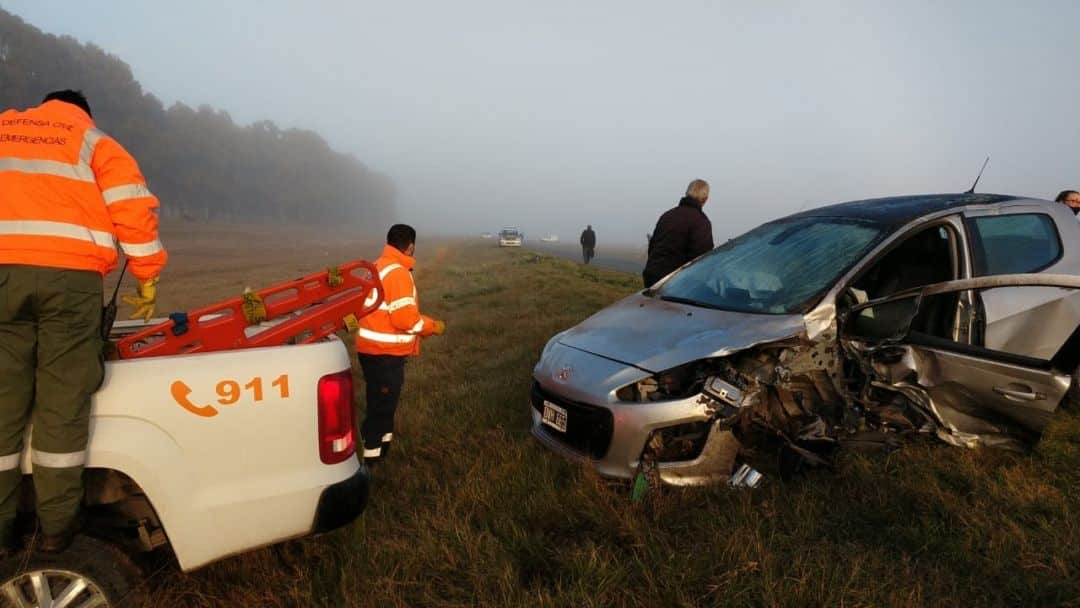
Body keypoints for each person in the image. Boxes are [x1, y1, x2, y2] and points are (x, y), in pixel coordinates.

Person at [0, 90, 167, 553]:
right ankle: (57, 531)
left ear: (42, 105)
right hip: (69, 283)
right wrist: (146, 278)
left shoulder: (4, 129)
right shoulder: (93, 142)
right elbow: (133, 209)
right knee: (62, 405)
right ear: (81, 113)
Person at [355, 224, 446, 464]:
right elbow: (405, 319)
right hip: (385, 354)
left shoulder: (377, 266)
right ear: (410, 247)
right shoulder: (398, 273)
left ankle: (383, 447)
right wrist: (431, 327)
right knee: (381, 407)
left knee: (382, 403)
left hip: (371, 350)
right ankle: (371, 462)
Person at [642, 179, 714, 287]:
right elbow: (701, 260)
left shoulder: (667, 215)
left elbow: (653, 247)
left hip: (651, 277)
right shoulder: (701, 222)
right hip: (674, 284)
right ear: (705, 199)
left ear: (686, 193)